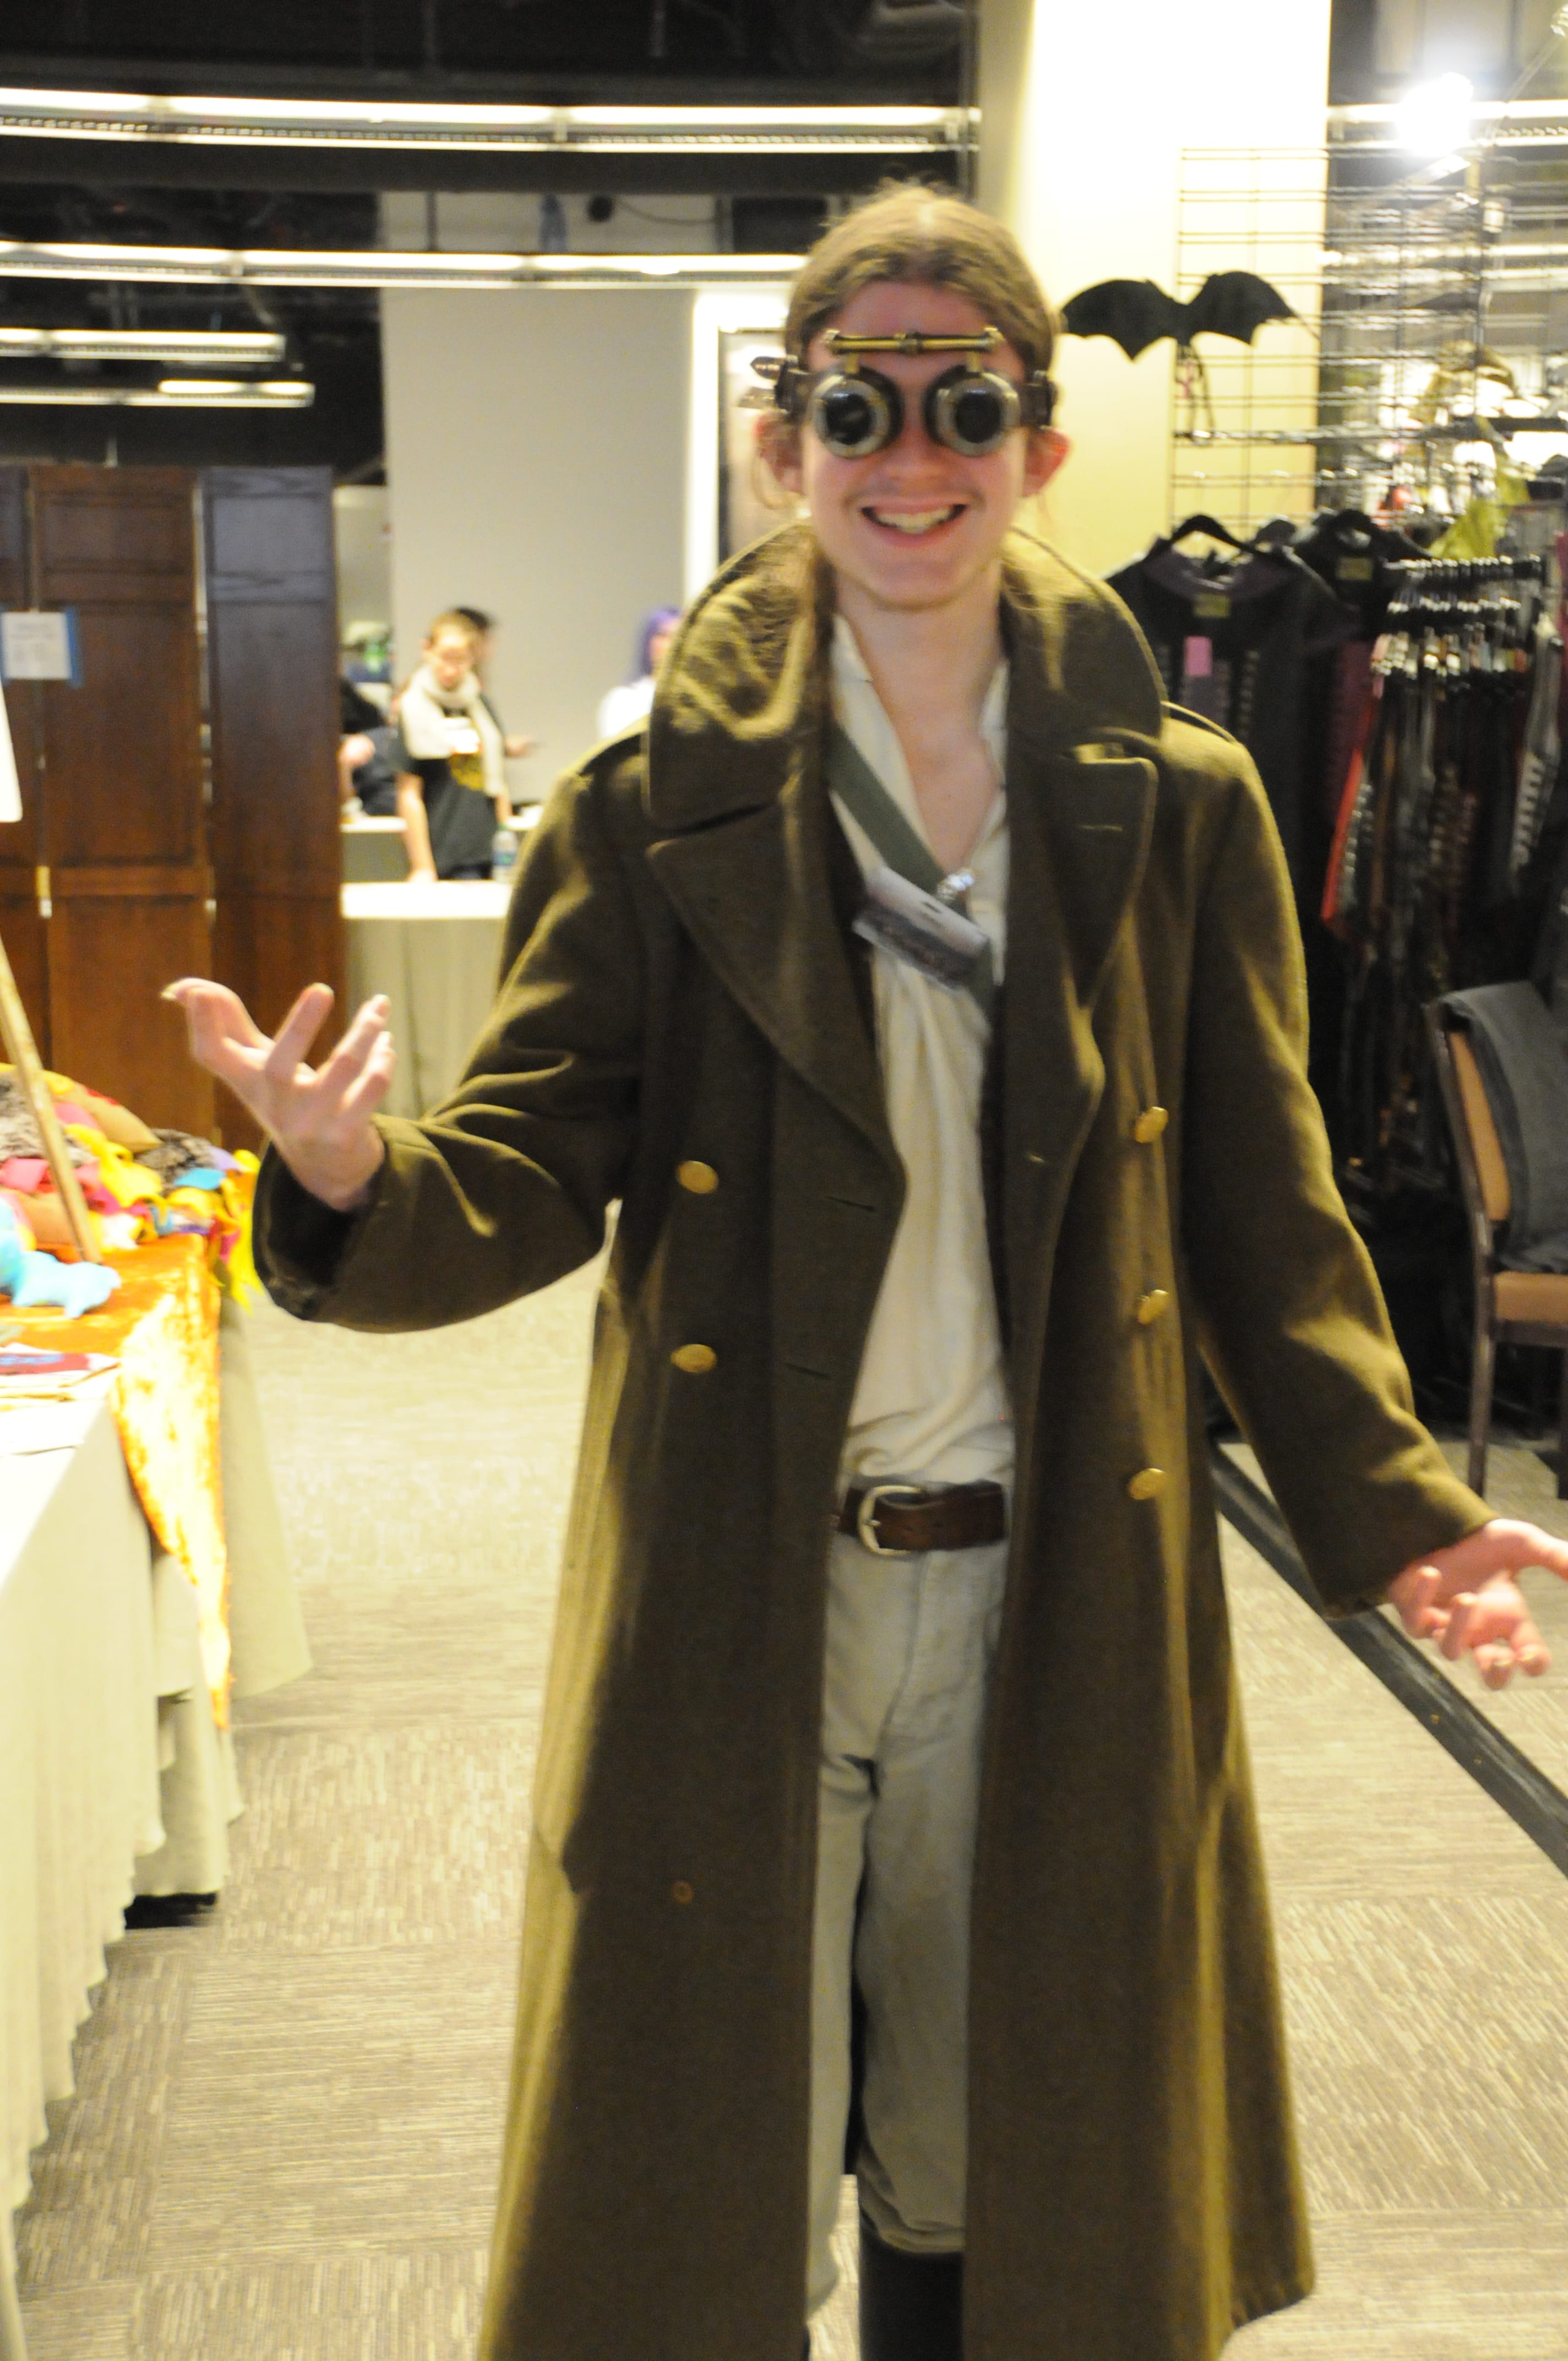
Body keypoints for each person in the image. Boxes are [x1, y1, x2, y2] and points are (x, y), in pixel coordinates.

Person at [165, 184, 1568, 2361]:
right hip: (746, 1571)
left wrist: (1393, 1506)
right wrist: (359, 1179)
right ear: (780, 445)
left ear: (1038, 446)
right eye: (855, 408)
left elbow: (1262, 1210)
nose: (911, 458)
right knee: (693, 2155)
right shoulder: (646, 808)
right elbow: (535, 1153)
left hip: (1054, 1583)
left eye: (964, 408)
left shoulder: (1178, 803)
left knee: (999, 2155)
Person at [394, 611, 513, 880]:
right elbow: (408, 794)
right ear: (427, 651)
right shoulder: (413, 709)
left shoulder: (480, 704)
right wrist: (423, 866)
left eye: (461, 660)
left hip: (488, 852)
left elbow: (499, 782)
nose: (452, 669)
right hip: (443, 853)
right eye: (445, 657)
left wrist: (507, 847)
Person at [452, 603, 536, 761]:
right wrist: (503, 747)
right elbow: (452, 740)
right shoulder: (451, 688)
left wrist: (502, 747)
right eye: (486, 639)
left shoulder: (471, 684)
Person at [595, 603, 681, 737]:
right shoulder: (623, 701)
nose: (671, 644)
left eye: (678, 636)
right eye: (663, 635)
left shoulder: (691, 702)